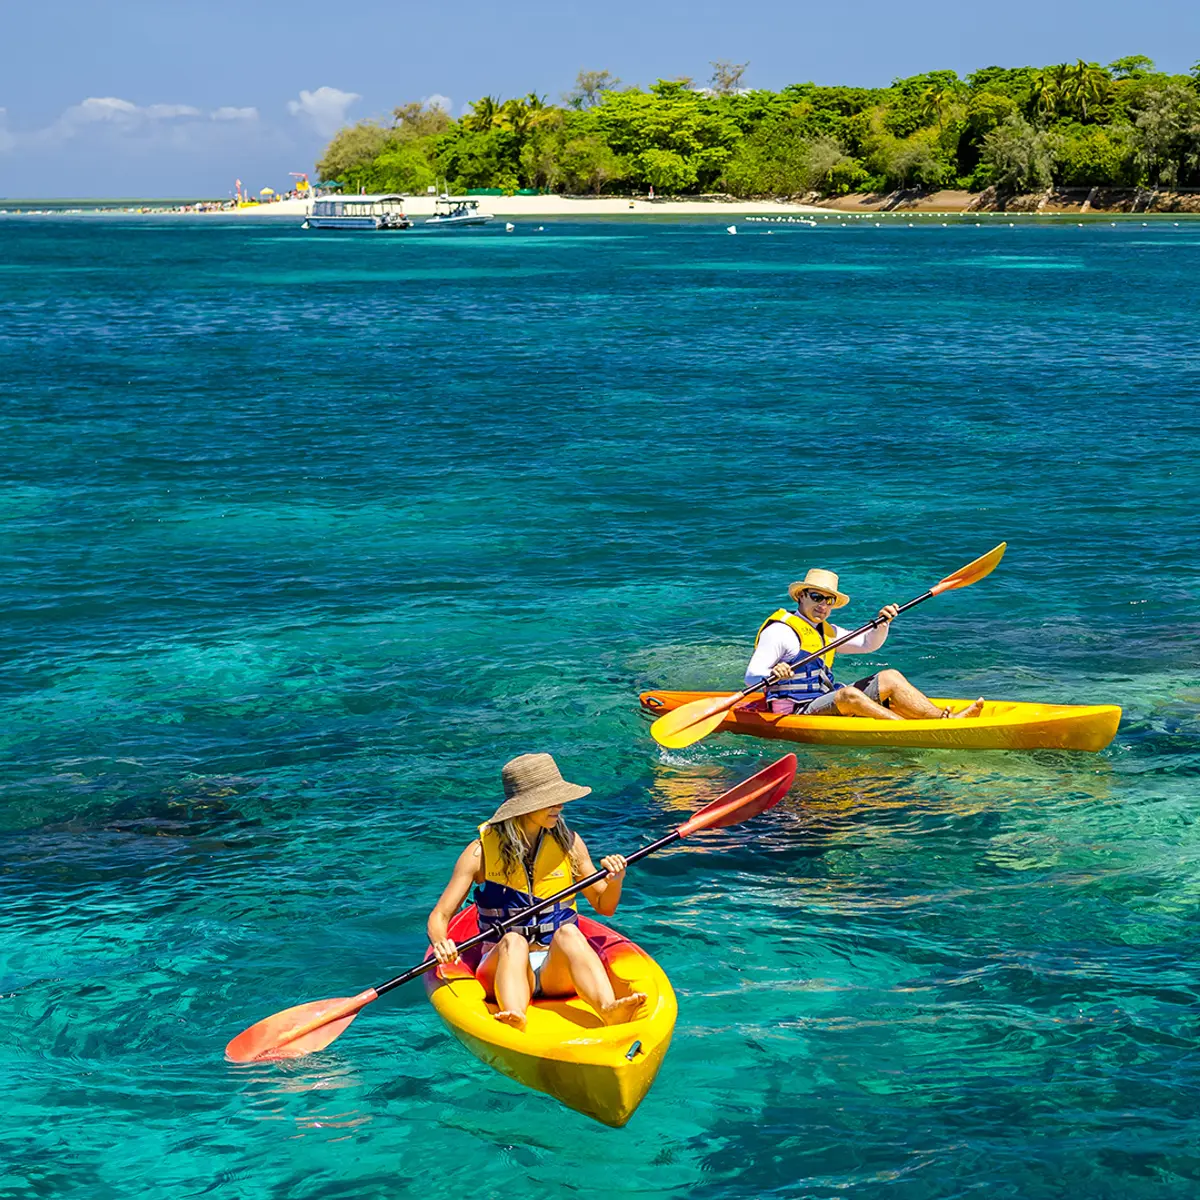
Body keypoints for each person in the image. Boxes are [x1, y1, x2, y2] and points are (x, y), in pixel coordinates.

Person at [427, 752, 646, 1032]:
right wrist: (440, 942)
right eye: (549, 801)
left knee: (568, 932)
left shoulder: (570, 844)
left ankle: (607, 1008)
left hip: (556, 971)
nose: (560, 806)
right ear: (524, 806)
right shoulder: (479, 853)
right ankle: (515, 1015)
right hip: (502, 968)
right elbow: (440, 915)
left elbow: (604, 906)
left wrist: (616, 880)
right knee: (514, 941)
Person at [745, 568, 984, 721]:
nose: (823, 605)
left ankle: (945, 720)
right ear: (801, 596)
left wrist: (884, 623)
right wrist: (775, 673)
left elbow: (869, 644)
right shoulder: (780, 631)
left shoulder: (828, 632)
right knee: (848, 694)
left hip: (822, 699)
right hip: (794, 712)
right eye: (817, 597)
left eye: (828, 600)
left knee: (890, 676)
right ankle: (905, 730)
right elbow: (752, 676)